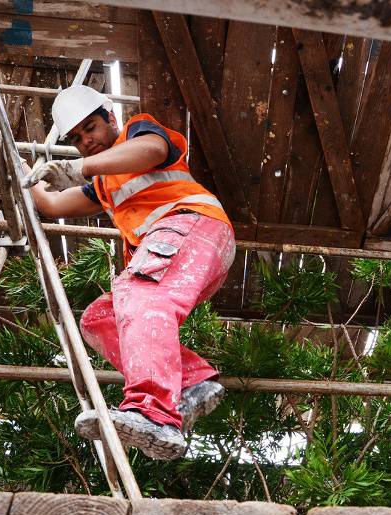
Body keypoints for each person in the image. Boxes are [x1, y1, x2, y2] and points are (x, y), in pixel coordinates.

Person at [21, 85, 235, 460]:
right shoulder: (104, 184)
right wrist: (19, 168)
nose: (87, 141)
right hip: (188, 253)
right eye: (77, 139)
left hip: (193, 226)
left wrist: (79, 168)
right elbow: (52, 204)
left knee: (142, 294)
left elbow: (151, 150)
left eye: (91, 128)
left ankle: (152, 411)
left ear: (111, 119)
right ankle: (193, 383)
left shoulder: (138, 131)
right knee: (99, 318)